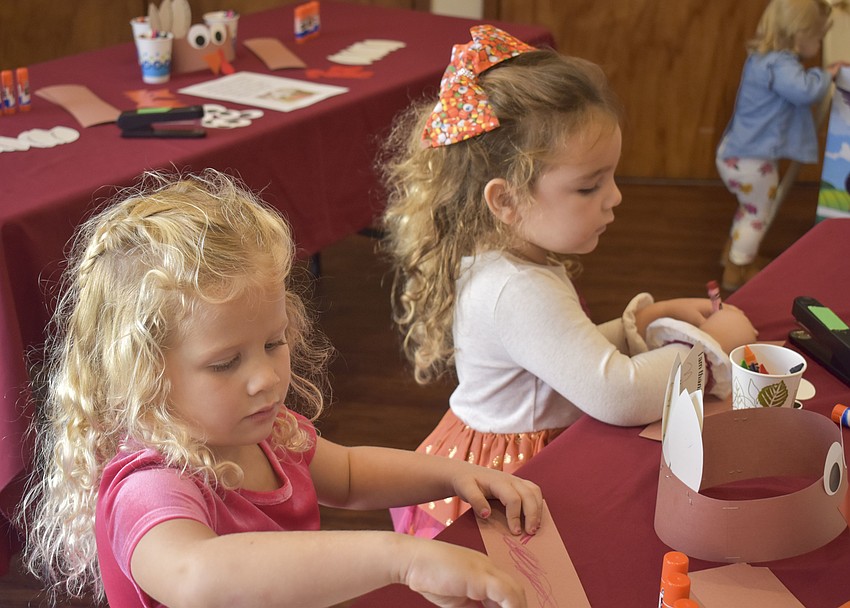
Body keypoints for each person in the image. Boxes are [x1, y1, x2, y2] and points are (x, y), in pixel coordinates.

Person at [17, 169, 545, 608]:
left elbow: (352, 475)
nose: (266, 378)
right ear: (143, 375)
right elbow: (194, 575)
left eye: (273, 343)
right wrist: (401, 558)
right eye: (226, 363)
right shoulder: (150, 484)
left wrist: (456, 475)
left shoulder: (266, 429)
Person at [378, 25, 758, 539]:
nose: (615, 198)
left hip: (505, 443)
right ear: (506, 201)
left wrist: (636, 325)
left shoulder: (506, 260)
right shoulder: (517, 290)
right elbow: (616, 396)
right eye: (589, 186)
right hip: (515, 471)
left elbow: (551, 359)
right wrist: (714, 352)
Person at [716, 0, 846, 290]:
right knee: (757, 214)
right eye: (818, 36)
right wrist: (828, 73)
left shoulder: (762, 58)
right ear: (800, 34)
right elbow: (805, 91)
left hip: (735, 153)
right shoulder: (781, 65)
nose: (820, 42)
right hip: (752, 161)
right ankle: (736, 271)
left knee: (748, 208)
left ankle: (734, 255)